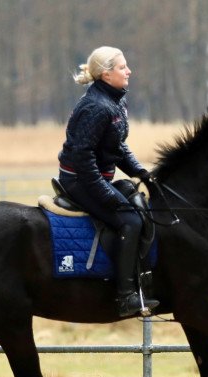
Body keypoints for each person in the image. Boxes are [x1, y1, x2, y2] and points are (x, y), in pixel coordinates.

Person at [57, 46, 159, 318]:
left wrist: (140, 172)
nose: (129, 71)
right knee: (130, 220)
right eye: (123, 67)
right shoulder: (95, 107)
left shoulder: (115, 101)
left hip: (96, 177)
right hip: (80, 180)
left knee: (137, 206)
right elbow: (82, 160)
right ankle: (125, 296)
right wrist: (109, 196)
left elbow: (117, 145)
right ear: (106, 74)